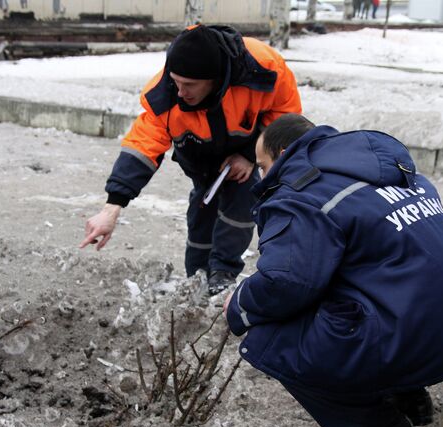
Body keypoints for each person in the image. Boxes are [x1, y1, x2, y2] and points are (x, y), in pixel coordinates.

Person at [223, 114, 443, 427]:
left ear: (284, 153)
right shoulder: (390, 172)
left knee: (268, 335)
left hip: (408, 330)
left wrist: (239, 304)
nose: (261, 176)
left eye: (263, 165)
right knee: (354, 289)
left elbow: (284, 283)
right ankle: (407, 396)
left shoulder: (304, 195)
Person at [79, 25, 302, 295]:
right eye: (176, 81)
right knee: (202, 210)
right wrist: (111, 208)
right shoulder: (166, 94)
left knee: (241, 201)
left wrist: (248, 156)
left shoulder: (264, 67)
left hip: (244, 148)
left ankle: (222, 275)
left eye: (190, 85)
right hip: (199, 155)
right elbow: (142, 145)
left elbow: (285, 119)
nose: (180, 91)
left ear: (215, 78)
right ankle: (196, 276)